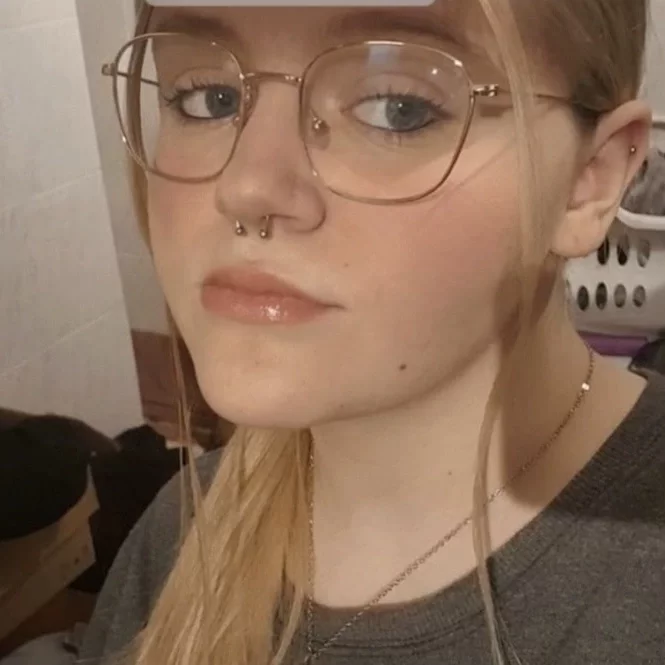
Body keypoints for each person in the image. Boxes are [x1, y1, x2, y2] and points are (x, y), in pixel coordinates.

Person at [78, 0, 664, 663]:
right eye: (208, 99)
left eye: (397, 109)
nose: (245, 187)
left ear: (587, 181)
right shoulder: (185, 534)